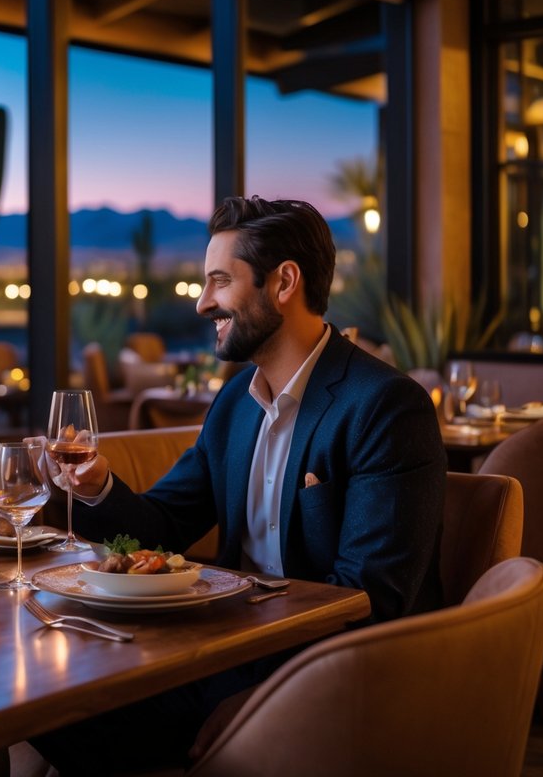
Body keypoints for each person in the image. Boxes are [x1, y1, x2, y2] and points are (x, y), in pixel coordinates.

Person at [35, 196, 446, 774]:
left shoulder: (384, 406)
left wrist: (268, 698)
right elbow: (166, 525)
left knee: (71, 715)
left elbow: (371, 598)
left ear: (284, 283)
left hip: (328, 670)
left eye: (220, 281)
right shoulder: (235, 402)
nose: (204, 302)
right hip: (222, 649)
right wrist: (99, 485)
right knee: (51, 694)